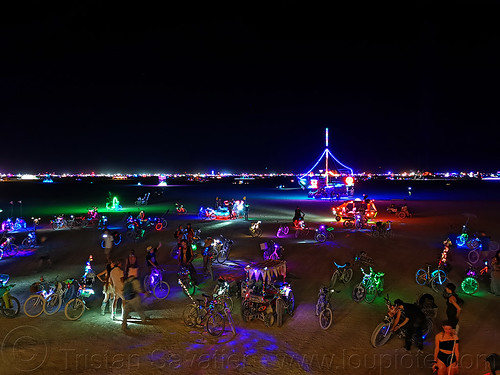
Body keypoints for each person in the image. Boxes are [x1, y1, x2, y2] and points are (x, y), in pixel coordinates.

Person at [121, 267, 148, 331]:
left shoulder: (126, 281)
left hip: (127, 298)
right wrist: (144, 292)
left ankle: (124, 325)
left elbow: (123, 290)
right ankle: (143, 319)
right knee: (139, 308)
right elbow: (138, 290)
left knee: (126, 312)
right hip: (134, 298)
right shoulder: (135, 281)